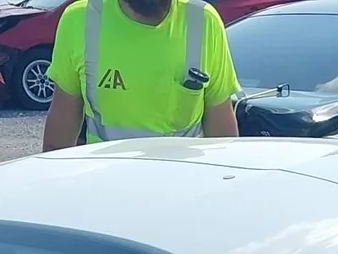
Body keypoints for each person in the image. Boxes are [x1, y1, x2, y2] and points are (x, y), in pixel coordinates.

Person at [41, 0, 240, 150]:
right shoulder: (80, 20)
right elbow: (59, 134)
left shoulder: (203, 22)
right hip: (106, 183)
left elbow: (222, 137)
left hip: (181, 185)